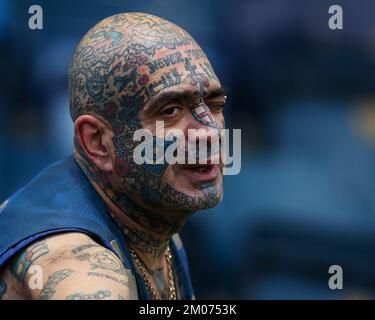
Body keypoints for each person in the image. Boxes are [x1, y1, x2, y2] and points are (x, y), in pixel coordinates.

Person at [0, 12, 227, 300]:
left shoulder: (149, 212)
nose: (209, 132)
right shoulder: (82, 269)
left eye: (214, 103)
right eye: (170, 111)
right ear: (97, 142)